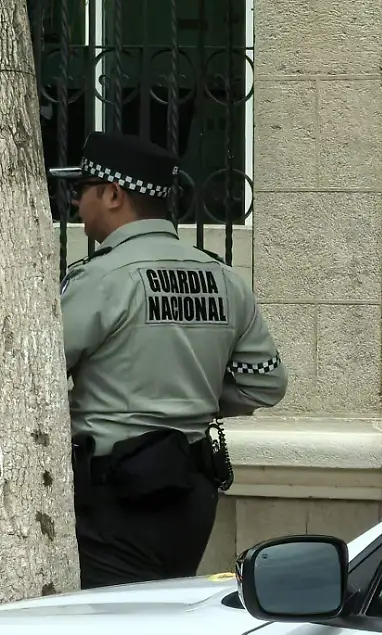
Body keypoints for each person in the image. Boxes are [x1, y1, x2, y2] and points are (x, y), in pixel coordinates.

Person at [51, 132, 287, 588]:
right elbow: (264, 382)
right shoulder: (222, 277)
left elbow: (37, 373)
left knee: (104, 627)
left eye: (81, 190)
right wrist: (189, 391)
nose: (76, 204)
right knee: (161, 609)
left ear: (114, 194)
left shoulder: (102, 278)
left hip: (113, 494)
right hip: (190, 493)